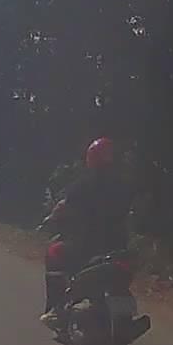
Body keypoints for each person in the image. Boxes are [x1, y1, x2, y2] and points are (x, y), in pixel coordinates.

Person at [38, 137, 132, 330]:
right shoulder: (123, 185)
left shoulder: (85, 184)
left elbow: (63, 207)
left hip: (88, 246)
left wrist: (50, 219)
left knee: (54, 252)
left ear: (91, 158)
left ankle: (56, 308)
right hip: (119, 247)